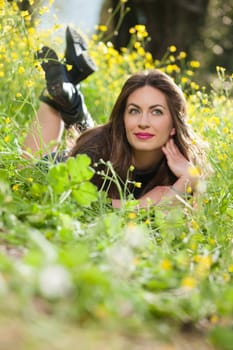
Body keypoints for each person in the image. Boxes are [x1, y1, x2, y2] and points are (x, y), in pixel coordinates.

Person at [23, 26, 208, 208]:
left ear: (174, 124)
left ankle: (70, 92)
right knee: (24, 170)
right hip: (75, 163)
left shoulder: (186, 163)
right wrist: (143, 204)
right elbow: (76, 204)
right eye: (134, 111)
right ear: (123, 119)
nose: (143, 123)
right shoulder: (94, 153)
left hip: (102, 147)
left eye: (156, 112)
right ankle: (58, 94)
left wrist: (190, 178)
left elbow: (189, 225)